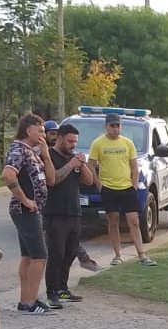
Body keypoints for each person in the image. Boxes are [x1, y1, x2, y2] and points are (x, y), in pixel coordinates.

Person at [3, 112, 57, 315]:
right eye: (40, 130)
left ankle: (24, 300)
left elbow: (51, 180)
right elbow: (8, 174)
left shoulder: (33, 151)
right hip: (25, 209)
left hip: (35, 209)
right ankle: (32, 301)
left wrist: (46, 155)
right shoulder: (19, 149)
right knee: (40, 256)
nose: (43, 134)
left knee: (27, 255)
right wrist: (24, 199)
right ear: (28, 130)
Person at [89, 112, 155, 267]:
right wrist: (99, 185)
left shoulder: (127, 143)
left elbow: (134, 166)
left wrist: (133, 185)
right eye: (112, 126)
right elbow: (90, 166)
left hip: (126, 187)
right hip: (108, 188)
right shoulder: (98, 143)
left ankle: (141, 254)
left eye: (118, 125)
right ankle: (117, 255)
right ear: (106, 126)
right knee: (113, 221)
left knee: (134, 220)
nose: (115, 129)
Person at [43, 123, 95, 308]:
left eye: (75, 141)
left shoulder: (73, 157)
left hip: (74, 212)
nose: (73, 145)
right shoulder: (49, 156)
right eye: (70, 141)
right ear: (60, 138)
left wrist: (82, 165)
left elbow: (89, 182)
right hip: (55, 213)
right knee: (56, 254)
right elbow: (53, 180)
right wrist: (70, 165)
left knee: (70, 252)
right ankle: (52, 293)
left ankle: (63, 289)